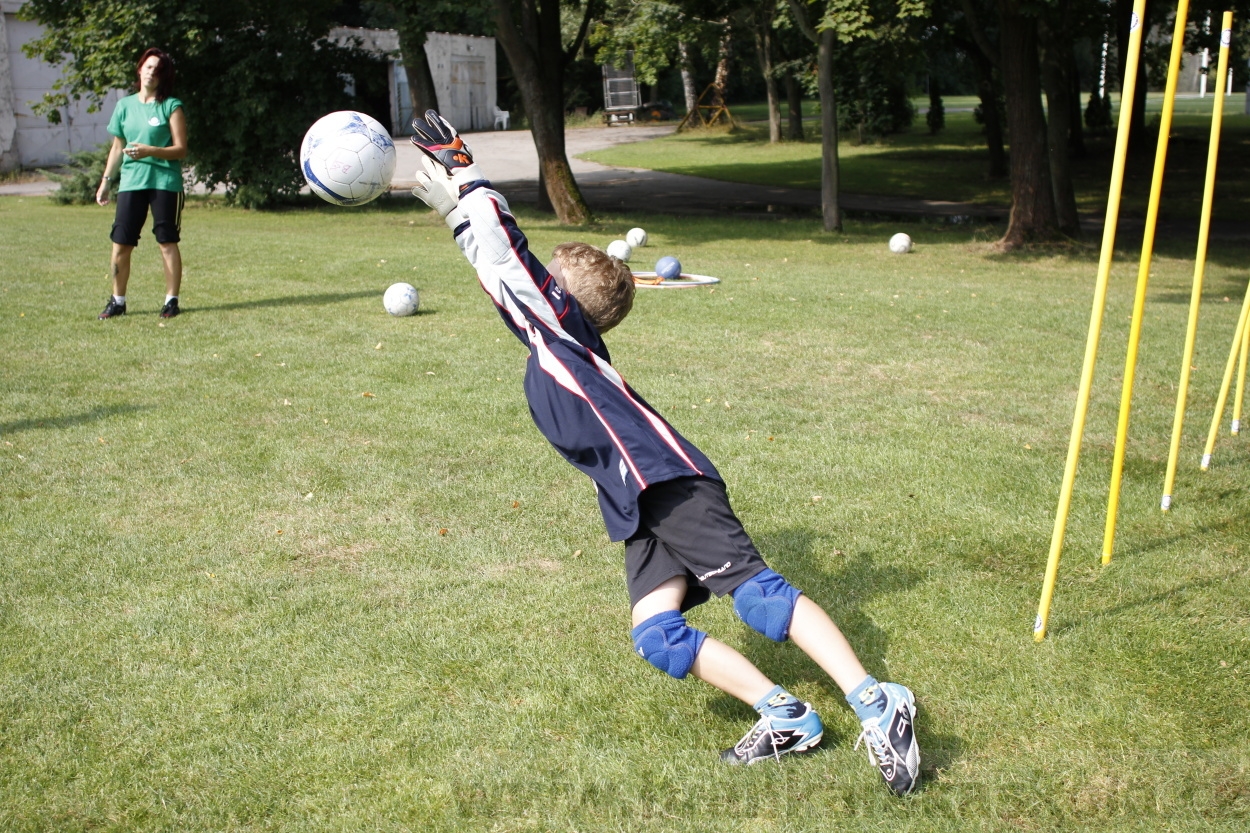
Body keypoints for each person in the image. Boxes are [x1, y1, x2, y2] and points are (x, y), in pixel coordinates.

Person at [408, 110, 921, 795]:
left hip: (670, 481)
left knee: (761, 598)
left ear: (563, 300)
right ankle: (786, 714)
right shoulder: (557, 339)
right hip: (640, 500)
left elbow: (509, 260)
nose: (538, 281)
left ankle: (878, 701)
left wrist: (467, 178)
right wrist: (460, 219)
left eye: (549, 278)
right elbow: (505, 279)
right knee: (657, 634)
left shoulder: (561, 330)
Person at [95, 48, 187, 319]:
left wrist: (150, 151)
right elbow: (116, 147)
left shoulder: (171, 105)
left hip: (164, 182)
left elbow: (181, 149)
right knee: (121, 243)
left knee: (166, 241)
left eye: (157, 70)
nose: (151, 73)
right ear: (140, 70)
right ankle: (117, 301)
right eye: (148, 67)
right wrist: (106, 182)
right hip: (131, 182)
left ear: (163, 77)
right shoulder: (124, 106)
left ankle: (171, 301)